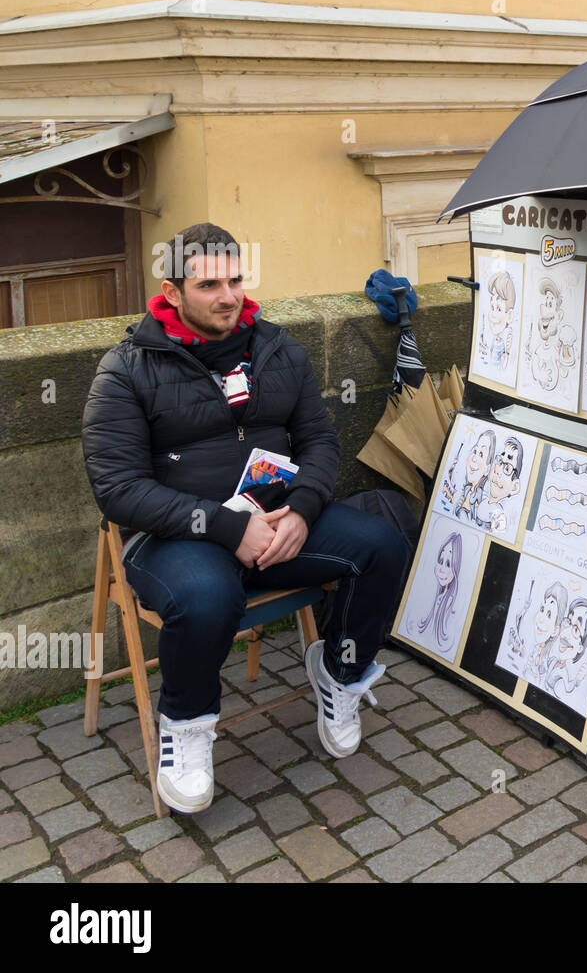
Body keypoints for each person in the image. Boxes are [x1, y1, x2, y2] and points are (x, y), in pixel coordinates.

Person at [81, 223, 406, 814]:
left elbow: (319, 443)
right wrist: (226, 527)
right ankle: (187, 723)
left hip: (278, 523)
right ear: (172, 292)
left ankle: (340, 670)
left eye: (235, 279)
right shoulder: (128, 369)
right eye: (208, 285)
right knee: (207, 595)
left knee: (383, 541)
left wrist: (303, 512)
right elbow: (119, 489)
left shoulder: (278, 349)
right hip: (177, 540)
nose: (227, 295)